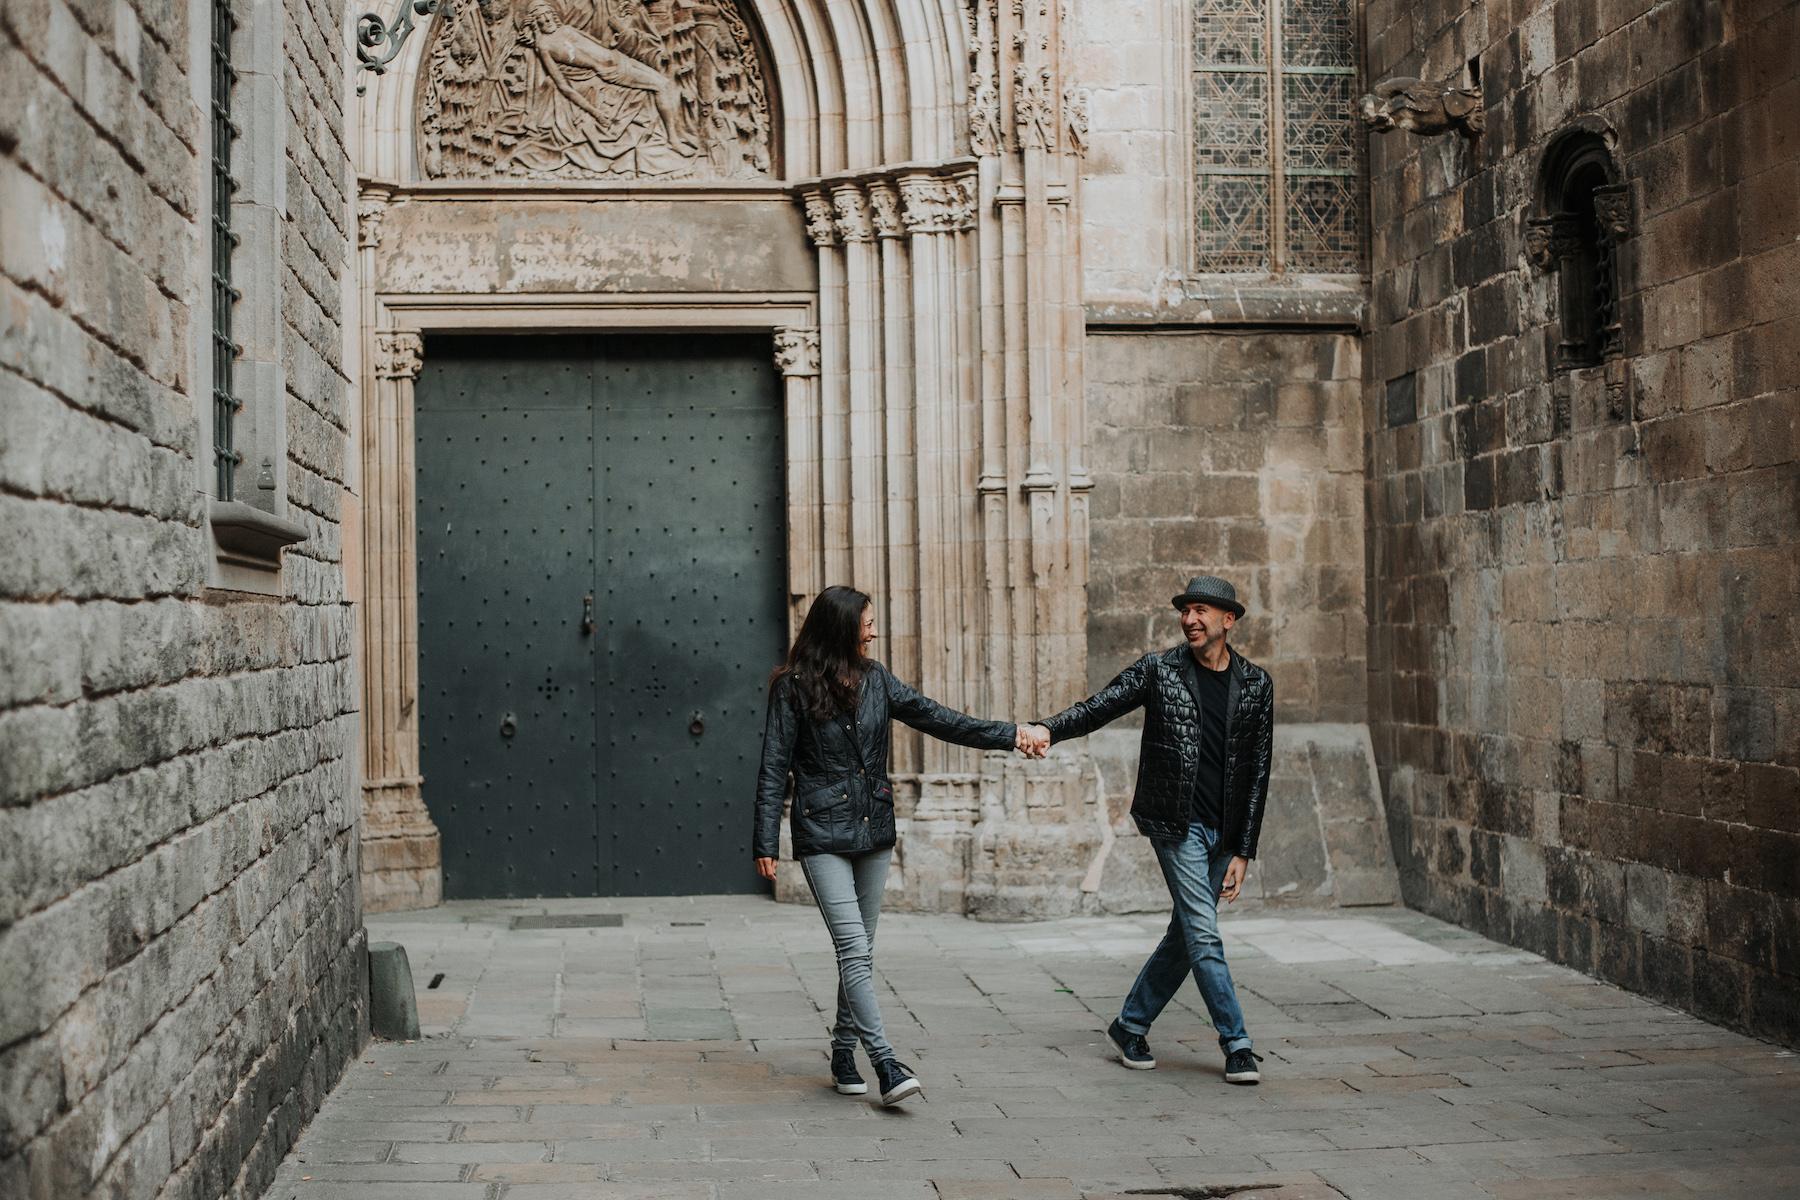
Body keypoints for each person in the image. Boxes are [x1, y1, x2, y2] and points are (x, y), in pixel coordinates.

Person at [754, 586, 1044, 1105]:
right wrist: (764, 839)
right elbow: (775, 762)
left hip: (872, 828)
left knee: (859, 951)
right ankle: (885, 1062)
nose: (874, 629)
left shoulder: (877, 679)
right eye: (866, 621)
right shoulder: (791, 687)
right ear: (842, 626)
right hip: (822, 832)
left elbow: (941, 719)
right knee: (853, 949)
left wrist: (1011, 735)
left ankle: (844, 1051)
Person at [1018, 575, 1273, 1085]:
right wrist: (1049, 728)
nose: (1189, 619)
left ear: (1229, 619)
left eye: (1201, 610)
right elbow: (1101, 705)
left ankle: (1130, 1024)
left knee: (1187, 933)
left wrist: (1245, 848)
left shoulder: (1257, 684)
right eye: (1185, 610)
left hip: (1225, 832)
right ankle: (1237, 1043)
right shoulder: (1159, 670)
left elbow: (1258, 771)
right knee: (1203, 931)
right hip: (1175, 823)